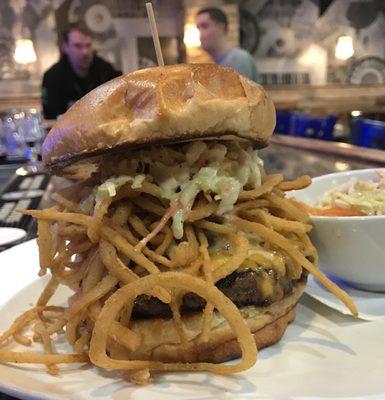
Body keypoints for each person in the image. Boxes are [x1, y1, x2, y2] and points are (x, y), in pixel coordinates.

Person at [42, 23, 121, 119]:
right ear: (65, 47)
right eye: (78, 46)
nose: (85, 52)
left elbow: (119, 106)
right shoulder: (52, 76)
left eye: (88, 45)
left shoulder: (106, 70)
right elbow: (50, 114)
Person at [196, 7, 258, 82]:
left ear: (221, 28)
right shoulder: (217, 65)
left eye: (205, 26)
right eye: (198, 28)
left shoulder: (239, 59)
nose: (200, 34)